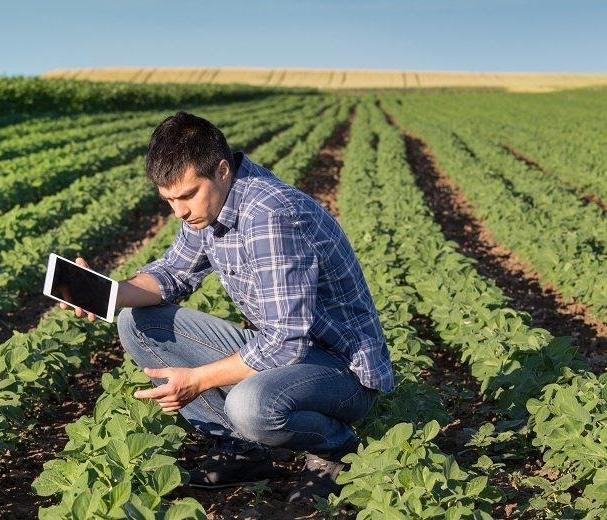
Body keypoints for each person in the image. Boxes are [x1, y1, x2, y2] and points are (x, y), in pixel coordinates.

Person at [62, 111, 393, 501]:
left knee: (250, 404)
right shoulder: (211, 205)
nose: (180, 211)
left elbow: (285, 343)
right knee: (137, 323)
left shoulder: (270, 216)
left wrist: (197, 380)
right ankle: (244, 450)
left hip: (341, 371)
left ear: (222, 170)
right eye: (169, 199)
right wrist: (106, 292)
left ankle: (335, 449)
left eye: (187, 195)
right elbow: (172, 273)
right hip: (291, 355)